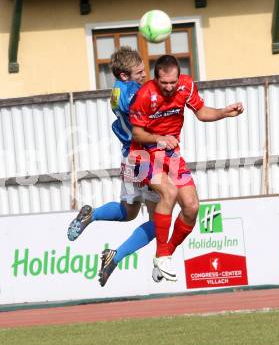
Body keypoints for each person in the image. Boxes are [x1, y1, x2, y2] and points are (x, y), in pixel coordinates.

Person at [129, 55, 244, 281]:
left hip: (170, 154)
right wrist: (160, 138)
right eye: (164, 83)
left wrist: (223, 112)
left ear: (178, 77)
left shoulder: (187, 86)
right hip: (141, 154)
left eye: (173, 82)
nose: (170, 87)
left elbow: (201, 112)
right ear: (156, 79)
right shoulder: (144, 95)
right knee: (167, 193)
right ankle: (161, 256)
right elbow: (137, 133)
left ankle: (164, 256)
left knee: (192, 207)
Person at [67, 47, 162, 286]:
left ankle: (92, 215)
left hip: (129, 157)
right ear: (124, 75)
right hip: (145, 157)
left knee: (128, 212)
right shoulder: (134, 94)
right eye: (139, 72)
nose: (144, 74)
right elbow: (149, 116)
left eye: (144, 69)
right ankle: (117, 256)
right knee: (161, 219)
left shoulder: (117, 92)